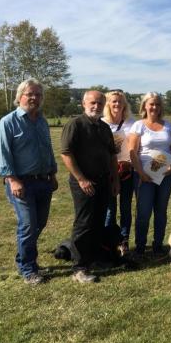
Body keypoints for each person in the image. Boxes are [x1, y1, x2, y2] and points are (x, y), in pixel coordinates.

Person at [0, 79, 59, 285]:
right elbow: (2, 154)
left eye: (38, 95)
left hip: (43, 181)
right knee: (29, 225)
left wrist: (53, 173)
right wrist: (12, 179)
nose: (34, 98)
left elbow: (47, 149)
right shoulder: (8, 122)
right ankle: (28, 268)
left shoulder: (41, 120)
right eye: (30, 94)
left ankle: (25, 258)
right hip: (21, 183)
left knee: (39, 223)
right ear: (20, 96)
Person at [60, 90, 120, 283]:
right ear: (84, 104)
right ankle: (79, 267)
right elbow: (66, 154)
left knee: (98, 222)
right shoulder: (75, 125)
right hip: (84, 183)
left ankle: (93, 258)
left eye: (100, 103)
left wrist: (115, 179)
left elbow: (112, 156)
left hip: (103, 181)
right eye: (93, 103)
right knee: (84, 224)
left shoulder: (103, 128)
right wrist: (81, 179)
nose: (96, 106)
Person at [129, 92, 171, 256]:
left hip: (165, 176)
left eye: (157, 104)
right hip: (145, 175)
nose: (154, 107)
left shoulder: (169, 126)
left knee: (161, 211)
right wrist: (141, 172)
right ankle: (141, 246)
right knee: (143, 212)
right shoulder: (138, 125)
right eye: (151, 104)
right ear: (144, 106)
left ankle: (158, 245)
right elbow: (133, 152)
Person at [101, 89, 138, 255]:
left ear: (125, 104)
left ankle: (124, 241)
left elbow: (137, 147)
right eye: (113, 101)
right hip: (108, 173)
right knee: (109, 209)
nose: (117, 104)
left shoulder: (132, 123)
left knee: (125, 208)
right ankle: (109, 242)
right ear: (108, 104)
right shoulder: (102, 123)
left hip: (127, 171)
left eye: (120, 101)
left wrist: (129, 162)